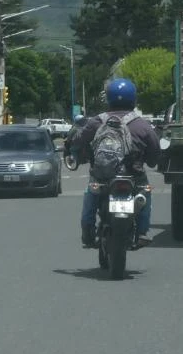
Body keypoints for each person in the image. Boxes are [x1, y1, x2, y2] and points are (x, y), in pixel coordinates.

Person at [69, 78, 160, 248]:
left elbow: (78, 142)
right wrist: (151, 161)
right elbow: (154, 151)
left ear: (109, 99)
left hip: (102, 175)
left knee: (91, 195)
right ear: (133, 99)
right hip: (134, 176)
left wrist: (79, 155)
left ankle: (88, 232)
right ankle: (142, 232)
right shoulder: (142, 125)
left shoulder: (97, 122)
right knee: (144, 195)